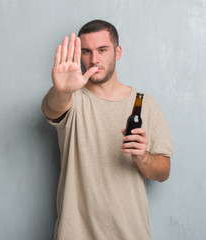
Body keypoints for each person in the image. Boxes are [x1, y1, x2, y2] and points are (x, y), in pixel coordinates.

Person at [41, 19, 174, 240]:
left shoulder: (145, 105)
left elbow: (164, 171)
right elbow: (52, 109)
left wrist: (143, 158)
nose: (94, 59)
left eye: (102, 50)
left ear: (117, 51)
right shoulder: (70, 98)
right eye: (86, 52)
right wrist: (61, 90)